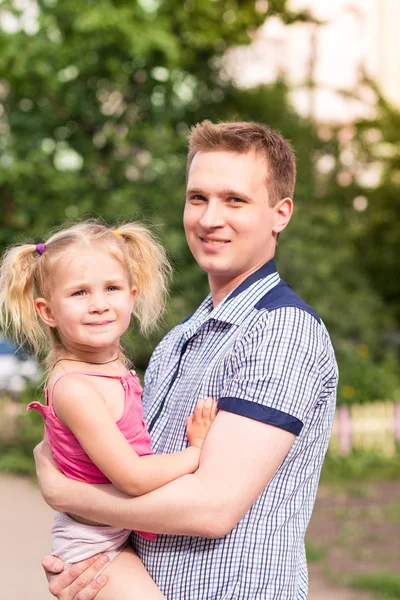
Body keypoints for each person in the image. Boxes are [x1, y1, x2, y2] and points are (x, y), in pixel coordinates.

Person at [34, 120, 338, 600]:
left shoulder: (281, 332)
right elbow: (135, 481)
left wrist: (68, 497)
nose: (210, 218)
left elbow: (210, 509)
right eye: (198, 198)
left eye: (234, 200)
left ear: (280, 213)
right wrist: (87, 566)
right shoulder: (178, 341)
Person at [0, 220, 218, 599]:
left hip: (115, 531)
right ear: (47, 311)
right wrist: (196, 452)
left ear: (132, 296)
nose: (99, 304)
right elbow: (131, 478)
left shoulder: (110, 364)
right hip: (93, 546)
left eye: (111, 288)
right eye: (79, 292)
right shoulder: (75, 388)